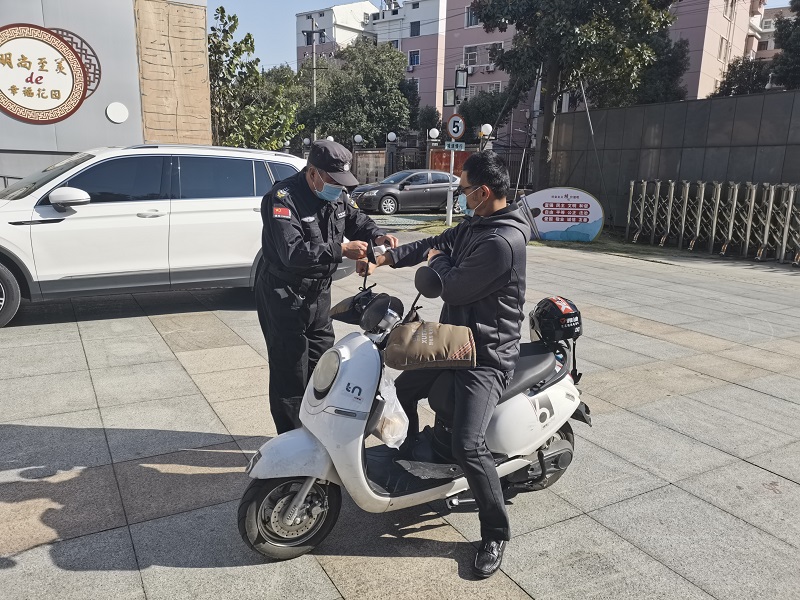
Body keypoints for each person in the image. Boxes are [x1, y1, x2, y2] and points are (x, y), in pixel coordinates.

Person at [370, 151, 530, 578]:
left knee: (468, 445)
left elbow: (453, 287)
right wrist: (385, 257)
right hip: (455, 342)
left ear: (483, 192)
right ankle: (409, 452)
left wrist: (436, 259)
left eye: (464, 189)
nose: (460, 195)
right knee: (402, 389)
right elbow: (433, 243)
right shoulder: (477, 224)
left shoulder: (502, 242)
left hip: (486, 355)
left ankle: (494, 532)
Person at [257, 140, 398, 434]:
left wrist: (378, 235)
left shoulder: (336, 194)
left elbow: (357, 220)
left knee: (324, 366)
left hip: (319, 294)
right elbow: (293, 252)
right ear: (313, 173)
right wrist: (342, 250)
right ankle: (292, 442)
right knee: (290, 373)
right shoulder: (282, 199)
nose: (339, 188)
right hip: (284, 295)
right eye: (334, 181)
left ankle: (316, 431)